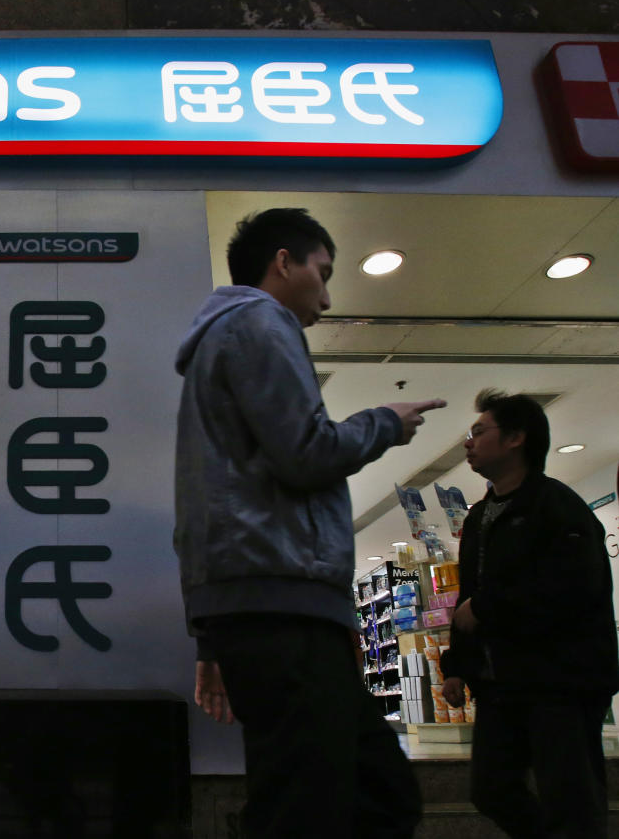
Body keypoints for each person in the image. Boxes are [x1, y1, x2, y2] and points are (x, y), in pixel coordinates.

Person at [174, 207, 444, 838]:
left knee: (350, 792)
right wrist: (386, 423)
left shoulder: (221, 342)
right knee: (323, 801)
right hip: (282, 605)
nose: (327, 294)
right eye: (322, 273)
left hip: (262, 605)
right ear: (283, 263)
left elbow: (201, 506)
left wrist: (210, 637)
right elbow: (306, 452)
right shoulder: (259, 322)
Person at [440, 390, 619, 838]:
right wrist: (458, 665)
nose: (469, 442)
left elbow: (574, 587)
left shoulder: (557, 507)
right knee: (491, 789)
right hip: (502, 683)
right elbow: (468, 593)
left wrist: (485, 609)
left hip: (561, 680)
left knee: (571, 801)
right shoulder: (480, 517)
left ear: (516, 438)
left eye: (479, 431)